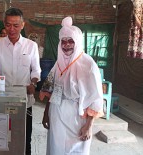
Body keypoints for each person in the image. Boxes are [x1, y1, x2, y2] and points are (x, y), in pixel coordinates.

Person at [0, 8, 41, 155]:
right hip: (2, 100)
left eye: (16, 25)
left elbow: (36, 70)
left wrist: (33, 83)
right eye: (8, 25)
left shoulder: (31, 46)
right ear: (4, 24)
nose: (12, 29)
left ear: (22, 25)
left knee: (24, 139)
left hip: (25, 101)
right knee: (1, 139)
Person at [39, 17, 104, 155]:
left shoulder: (88, 65)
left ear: (78, 42)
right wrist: (46, 114)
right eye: (63, 41)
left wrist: (89, 126)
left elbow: (95, 98)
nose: (66, 45)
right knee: (55, 149)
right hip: (56, 114)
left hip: (77, 118)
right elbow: (51, 91)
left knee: (76, 150)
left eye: (71, 41)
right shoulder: (58, 63)